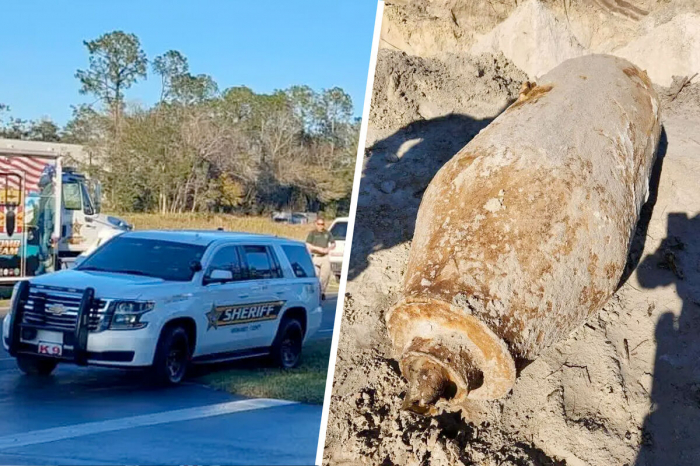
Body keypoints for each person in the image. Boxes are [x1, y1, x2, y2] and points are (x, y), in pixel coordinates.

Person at [306, 217, 335, 299]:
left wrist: (328, 249)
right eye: (319, 224)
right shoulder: (312, 233)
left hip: (325, 257)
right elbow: (308, 245)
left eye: (322, 224)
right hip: (316, 256)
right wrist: (318, 249)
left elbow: (333, 243)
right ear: (316, 224)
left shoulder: (327, 233)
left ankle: (322, 292)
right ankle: (314, 292)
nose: (320, 226)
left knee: (325, 276)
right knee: (315, 275)